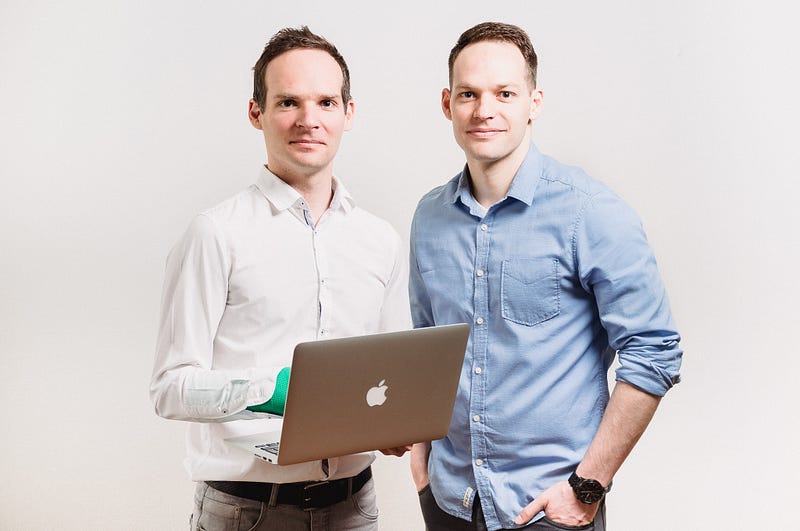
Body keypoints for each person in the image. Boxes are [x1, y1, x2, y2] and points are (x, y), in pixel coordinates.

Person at [409, 22, 683, 531]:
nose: (484, 110)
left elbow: (654, 351)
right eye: (468, 94)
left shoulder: (590, 212)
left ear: (534, 102)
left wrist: (588, 487)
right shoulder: (429, 217)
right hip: (451, 501)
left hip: (547, 511)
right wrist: (423, 466)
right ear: (447, 104)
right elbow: (426, 347)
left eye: (504, 93)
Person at [150, 26, 410, 531]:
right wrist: (275, 389)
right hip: (247, 512)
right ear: (257, 113)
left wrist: (396, 423)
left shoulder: (380, 239)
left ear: (348, 113)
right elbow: (169, 387)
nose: (309, 120)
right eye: (288, 102)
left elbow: (391, 374)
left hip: (355, 509)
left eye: (326, 102)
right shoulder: (215, 233)